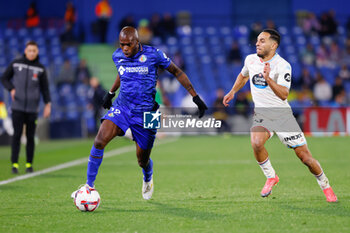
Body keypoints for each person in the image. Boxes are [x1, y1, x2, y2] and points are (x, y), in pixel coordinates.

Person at [71, 26, 207, 200]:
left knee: (142, 159)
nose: (125, 48)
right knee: (99, 140)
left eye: (128, 44)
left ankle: (148, 177)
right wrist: (111, 93)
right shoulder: (117, 55)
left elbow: (177, 71)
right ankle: (89, 187)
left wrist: (195, 97)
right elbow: (123, 73)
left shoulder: (154, 54)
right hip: (123, 107)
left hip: (148, 113)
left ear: (137, 42)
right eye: (122, 45)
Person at [223, 29, 337, 202]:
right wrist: (232, 91)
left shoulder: (283, 66)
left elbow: (284, 94)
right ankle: (271, 176)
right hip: (262, 113)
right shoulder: (251, 59)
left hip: (282, 116)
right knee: (256, 142)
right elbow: (243, 75)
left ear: (273, 45)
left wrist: (269, 79)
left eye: (262, 41)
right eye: (257, 40)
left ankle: (325, 185)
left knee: (305, 158)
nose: (257, 43)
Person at [1, 41, 51, 174]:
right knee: (16, 135)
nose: (32, 53)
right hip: (17, 107)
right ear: (25, 51)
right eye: (29, 50)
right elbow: (4, 78)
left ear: (37, 52)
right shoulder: (16, 64)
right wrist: (11, 89)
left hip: (32, 109)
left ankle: (29, 164)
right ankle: (14, 164)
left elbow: (45, 89)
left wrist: (48, 104)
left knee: (30, 137)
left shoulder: (40, 69)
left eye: (34, 50)